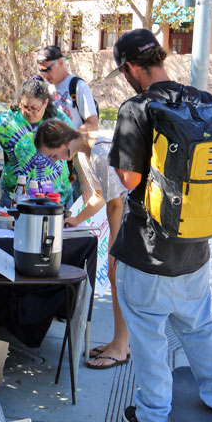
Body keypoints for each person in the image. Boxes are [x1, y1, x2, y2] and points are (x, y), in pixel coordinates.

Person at [107, 28, 212, 422]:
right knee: (200, 326)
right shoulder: (205, 102)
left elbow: (129, 179)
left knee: (148, 335)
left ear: (131, 68)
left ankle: (151, 416)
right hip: (198, 249)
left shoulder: (136, 108)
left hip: (147, 251)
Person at [35, 118, 129, 370]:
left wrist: (114, 245)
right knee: (115, 277)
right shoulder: (85, 153)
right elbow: (100, 195)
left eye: (52, 154)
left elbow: (116, 202)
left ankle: (121, 347)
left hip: (130, 219)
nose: (54, 161)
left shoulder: (98, 151)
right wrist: (77, 219)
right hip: (124, 217)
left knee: (117, 275)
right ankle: (119, 342)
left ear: (64, 143)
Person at [0, 78, 74, 208]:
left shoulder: (60, 120)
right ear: (19, 102)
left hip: (57, 200)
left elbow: (76, 149)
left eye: (34, 108)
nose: (29, 113)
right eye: (25, 107)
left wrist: (85, 184)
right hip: (14, 200)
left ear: (45, 103)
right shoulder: (5, 121)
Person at [37, 45, 98, 202]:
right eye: (41, 71)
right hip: (55, 162)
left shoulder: (78, 86)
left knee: (78, 208)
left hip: (77, 163)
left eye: (48, 70)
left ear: (61, 62)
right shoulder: (48, 89)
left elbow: (92, 123)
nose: (45, 75)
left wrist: (68, 138)